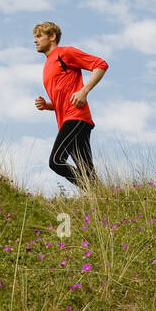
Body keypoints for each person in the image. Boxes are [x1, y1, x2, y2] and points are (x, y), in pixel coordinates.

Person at [32, 21, 108, 191]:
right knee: (86, 170)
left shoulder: (64, 53)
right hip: (68, 118)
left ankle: (94, 190)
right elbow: (63, 99)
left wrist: (84, 91)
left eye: (38, 36)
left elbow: (100, 65)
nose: (35, 41)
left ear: (52, 37)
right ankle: (101, 196)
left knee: (56, 161)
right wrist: (48, 105)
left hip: (77, 117)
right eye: (34, 37)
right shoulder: (47, 66)